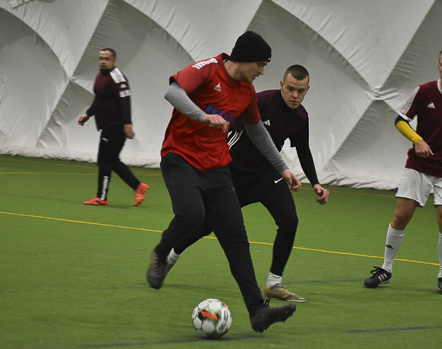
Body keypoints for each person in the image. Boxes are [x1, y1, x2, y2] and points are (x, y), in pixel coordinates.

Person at [146, 31, 301, 332]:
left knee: (236, 239)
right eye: (260, 65)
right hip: (180, 156)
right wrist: (203, 116)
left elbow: (257, 131)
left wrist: (282, 167)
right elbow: (173, 93)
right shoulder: (208, 69)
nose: (262, 72)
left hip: (217, 167)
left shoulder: (247, 92)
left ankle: (257, 312)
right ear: (245, 59)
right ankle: (161, 253)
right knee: (192, 214)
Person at [164, 64, 329, 303]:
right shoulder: (260, 102)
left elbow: (303, 150)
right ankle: (170, 256)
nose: (295, 95)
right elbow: (227, 126)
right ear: (281, 85)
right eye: (290, 89)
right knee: (207, 223)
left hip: (266, 175)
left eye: (301, 91)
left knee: (289, 220)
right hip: (234, 173)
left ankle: (274, 283)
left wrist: (315, 183)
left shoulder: (301, 117)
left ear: (307, 90)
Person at [363, 46, 442, 295]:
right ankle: (386, 269)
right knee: (401, 215)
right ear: (438, 67)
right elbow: (401, 120)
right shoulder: (423, 92)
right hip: (419, 165)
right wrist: (418, 140)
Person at [78, 48, 149, 207]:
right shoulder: (100, 76)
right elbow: (99, 99)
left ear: (114, 61)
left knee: (104, 160)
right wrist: (88, 114)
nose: (103, 61)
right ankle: (138, 187)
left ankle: (101, 197)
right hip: (108, 125)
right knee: (112, 160)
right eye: (101, 58)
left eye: (107, 59)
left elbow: (126, 99)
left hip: (115, 125)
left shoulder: (118, 77)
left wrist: (127, 124)